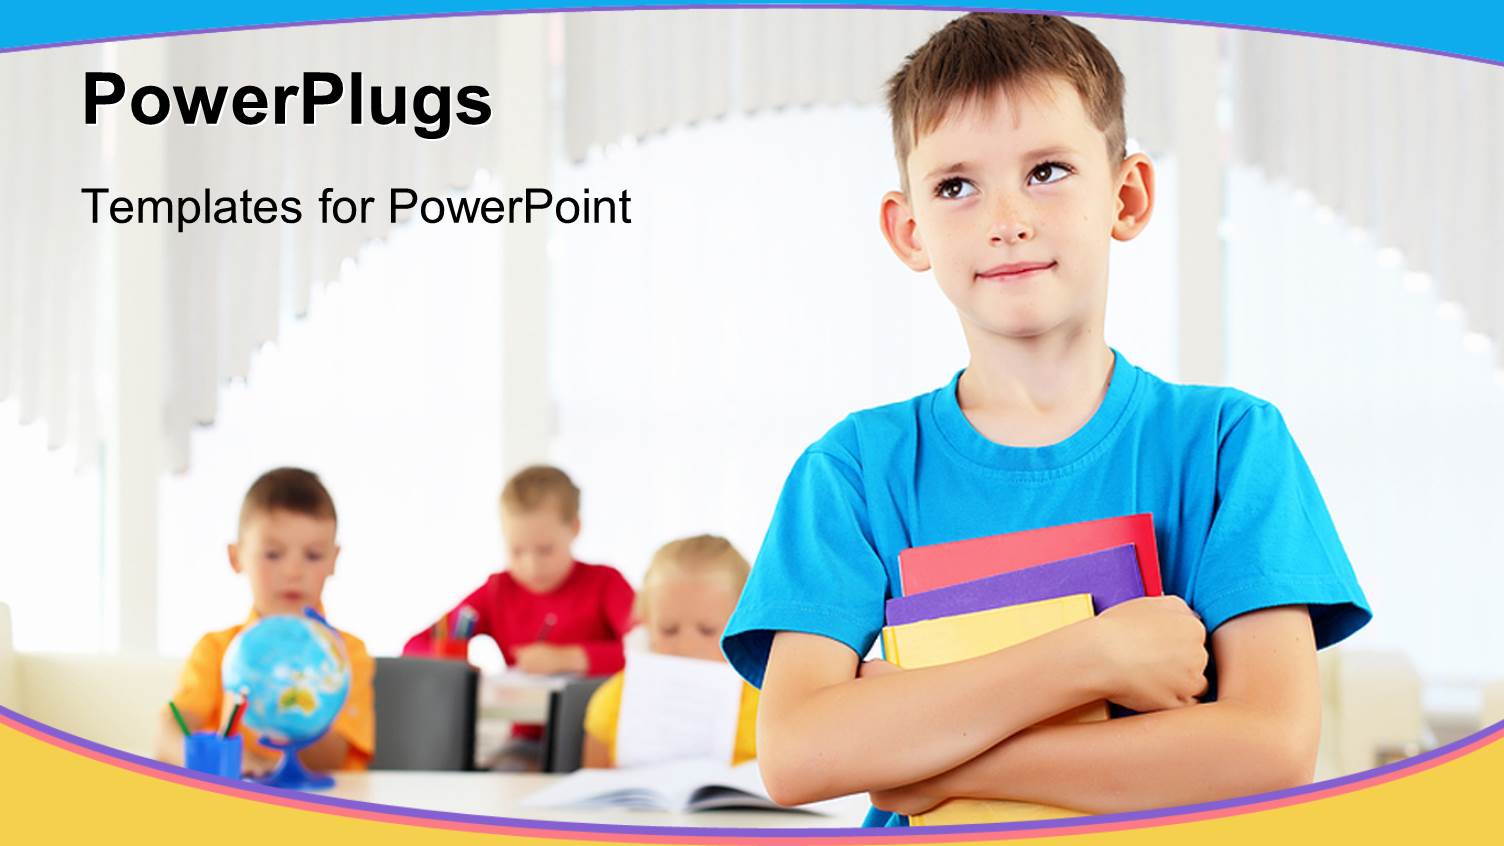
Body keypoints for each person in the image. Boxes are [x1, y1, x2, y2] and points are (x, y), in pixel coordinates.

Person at [720, 13, 1371, 826]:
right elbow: (798, 753)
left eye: (1048, 170)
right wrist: (1090, 656)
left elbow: (1268, 751)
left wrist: (925, 754)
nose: (1006, 219)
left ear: (1126, 197)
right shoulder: (854, 468)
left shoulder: (1227, 446)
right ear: (909, 229)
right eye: (957, 185)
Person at [403, 464, 634, 770]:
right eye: (517, 551)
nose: (531, 566)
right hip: (528, 744)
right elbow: (415, 647)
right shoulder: (497, 590)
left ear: (575, 528)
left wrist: (570, 658)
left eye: (545, 550)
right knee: (503, 780)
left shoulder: (606, 583)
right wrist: (455, 661)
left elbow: (649, 652)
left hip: (604, 739)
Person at [156, 467, 375, 775]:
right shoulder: (216, 650)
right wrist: (210, 759)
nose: (293, 572)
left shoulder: (346, 655)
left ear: (333, 560)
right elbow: (166, 736)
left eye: (313, 555)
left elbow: (331, 761)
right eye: (273, 554)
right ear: (236, 557)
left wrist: (289, 690)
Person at [581, 535, 758, 769]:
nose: (686, 647)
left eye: (707, 631)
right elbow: (592, 788)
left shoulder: (769, 707)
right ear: (645, 622)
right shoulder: (613, 701)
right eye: (669, 630)